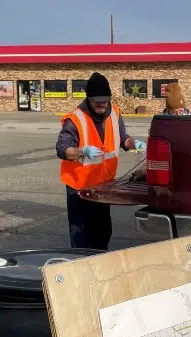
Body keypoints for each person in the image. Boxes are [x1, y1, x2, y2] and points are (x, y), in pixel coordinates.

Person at [55, 72, 136, 250]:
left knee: (103, 232)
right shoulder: (75, 120)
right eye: (97, 102)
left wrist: (133, 143)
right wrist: (81, 151)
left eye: (104, 102)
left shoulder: (114, 112)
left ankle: (100, 259)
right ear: (89, 99)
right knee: (82, 234)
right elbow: (62, 149)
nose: (101, 105)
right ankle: (81, 261)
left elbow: (122, 137)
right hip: (79, 187)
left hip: (103, 185)